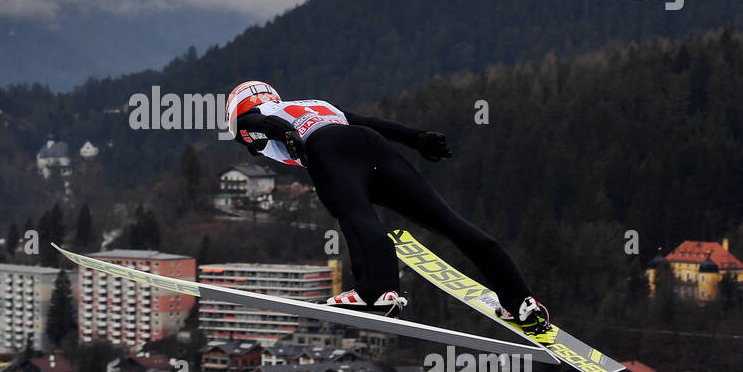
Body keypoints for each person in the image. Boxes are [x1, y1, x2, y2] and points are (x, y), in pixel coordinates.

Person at [224, 80, 551, 332]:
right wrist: (417, 138)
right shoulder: (317, 104)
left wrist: (290, 135)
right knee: (450, 222)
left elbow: (256, 124)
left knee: (356, 215)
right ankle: (522, 302)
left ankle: (376, 291)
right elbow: (371, 121)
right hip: (371, 145)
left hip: (328, 150)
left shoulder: (256, 119)